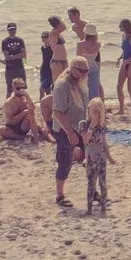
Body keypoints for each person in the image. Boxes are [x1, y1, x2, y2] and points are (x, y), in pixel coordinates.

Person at [51, 58, 89, 207]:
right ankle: (60, 195)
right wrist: (70, 133)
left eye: (86, 72)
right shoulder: (62, 86)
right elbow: (58, 113)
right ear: (73, 69)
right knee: (65, 162)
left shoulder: (81, 82)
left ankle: (94, 191)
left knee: (92, 158)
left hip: (81, 126)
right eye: (82, 71)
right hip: (65, 129)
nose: (84, 74)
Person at [84, 98, 113, 214]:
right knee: (91, 183)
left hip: (101, 158)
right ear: (88, 110)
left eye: (98, 111)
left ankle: (103, 208)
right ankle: (89, 209)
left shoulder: (102, 127)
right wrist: (91, 125)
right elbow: (85, 140)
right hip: (90, 158)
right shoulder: (84, 124)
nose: (96, 113)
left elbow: (104, 143)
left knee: (102, 183)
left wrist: (110, 157)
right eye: (93, 110)